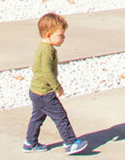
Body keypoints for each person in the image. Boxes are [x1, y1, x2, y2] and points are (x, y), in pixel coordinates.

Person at [23, 12, 87, 154]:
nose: (63, 38)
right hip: (45, 93)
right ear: (49, 35)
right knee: (60, 116)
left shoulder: (42, 47)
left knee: (37, 117)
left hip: (36, 91)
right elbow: (46, 71)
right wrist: (57, 87)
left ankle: (30, 143)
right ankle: (70, 142)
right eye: (61, 35)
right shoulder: (47, 51)